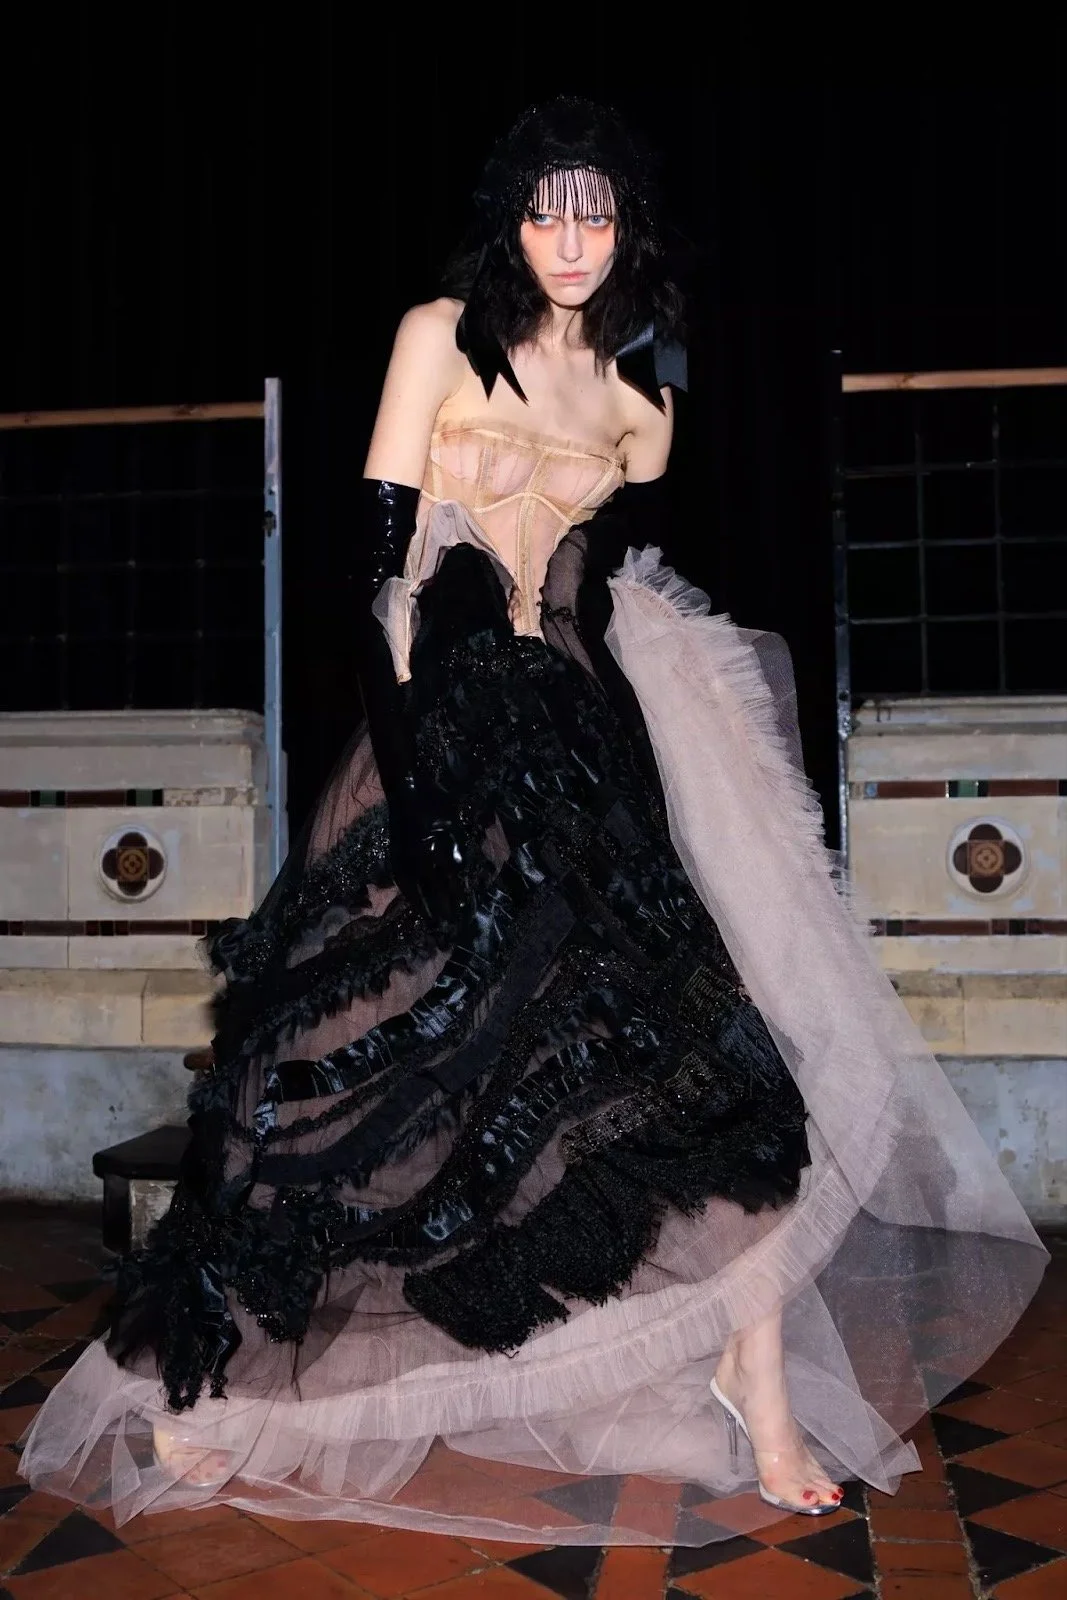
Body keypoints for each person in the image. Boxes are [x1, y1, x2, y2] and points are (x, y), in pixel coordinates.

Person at [20, 97, 1046, 1548]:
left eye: (596, 210)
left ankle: (756, 1386)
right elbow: (376, 584)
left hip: (575, 752)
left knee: (707, 1073)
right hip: (430, 742)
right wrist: (416, 794)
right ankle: (220, 1386)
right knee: (339, 1080)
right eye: (546, 208)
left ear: (629, 229)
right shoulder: (439, 337)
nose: (569, 238)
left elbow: (593, 588)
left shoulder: (635, 409)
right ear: (510, 218)